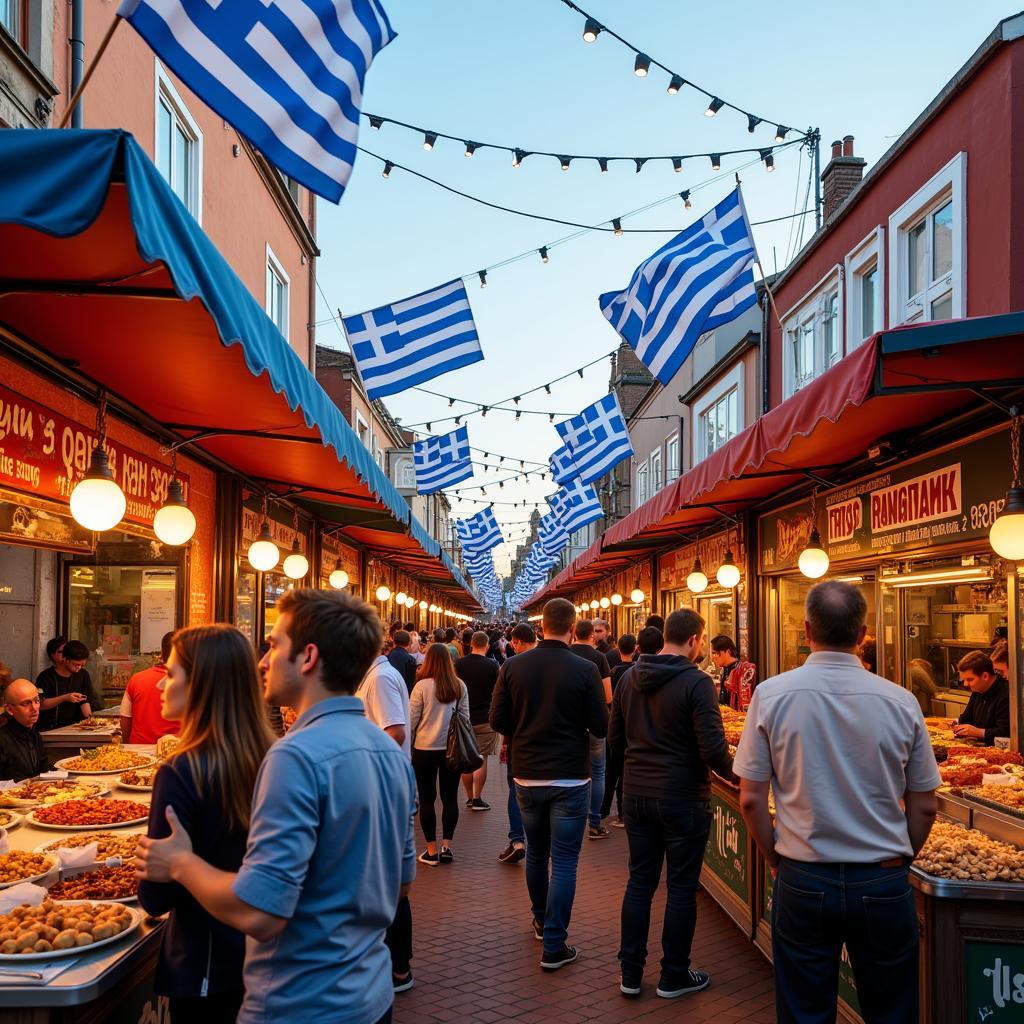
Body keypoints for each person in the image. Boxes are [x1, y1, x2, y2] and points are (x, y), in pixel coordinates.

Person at [136, 589, 417, 1024]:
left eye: (272, 646)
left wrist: (180, 864)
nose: (263, 662)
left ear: (307, 657)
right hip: (370, 995)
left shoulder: (296, 756)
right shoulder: (386, 750)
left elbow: (260, 913)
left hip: (301, 1003)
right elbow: (399, 884)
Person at [734, 580, 940, 1024]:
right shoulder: (902, 701)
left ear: (806, 630)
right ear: (863, 633)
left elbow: (751, 799)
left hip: (803, 876)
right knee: (892, 1010)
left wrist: (775, 857)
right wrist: (900, 860)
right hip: (883, 880)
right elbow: (925, 805)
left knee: (805, 1010)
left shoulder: (771, 695)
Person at [137, 625, 275, 1023]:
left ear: (201, 684)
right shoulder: (274, 757)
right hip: (265, 959)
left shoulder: (181, 771)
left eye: (172, 673)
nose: (162, 683)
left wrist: (165, 865)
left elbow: (156, 897)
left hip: (205, 964)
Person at [610, 609, 732, 999]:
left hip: (637, 795)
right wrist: (743, 774)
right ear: (696, 640)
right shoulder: (697, 683)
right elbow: (713, 750)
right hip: (682, 798)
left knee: (640, 882)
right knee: (680, 888)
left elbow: (615, 741)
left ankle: (630, 974)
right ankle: (673, 974)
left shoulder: (629, 679)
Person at [490, 598, 608, 970]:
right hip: (571, 777)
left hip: (527, 774)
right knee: (566, 861)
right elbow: (601, 726)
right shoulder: (585, 668)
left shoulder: (512, 666)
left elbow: (498, 720)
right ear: (573, 628)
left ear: (541, 628)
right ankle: (555, 943)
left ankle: (541, 920)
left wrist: (525, 731)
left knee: (537, 853)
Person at [358, 637, 415, 994]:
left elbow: (394, 732)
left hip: (382, 789)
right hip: (382, 787)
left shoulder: (378, 679)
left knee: (391, 885)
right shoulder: (376, 676)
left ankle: (398, 967)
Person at [409, 644, 470, 865]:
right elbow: (465, 718)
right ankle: (447, 846)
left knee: (427, 798)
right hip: (451, 750)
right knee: (449, 797)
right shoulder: (459, 685)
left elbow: (412, 721)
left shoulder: (421, 687)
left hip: (424, 748)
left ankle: (431, 851)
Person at [497, 624, 537, 865]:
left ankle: (517, 839)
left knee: (516, 790)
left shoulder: (510, 667)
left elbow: (498, 717)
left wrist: (507, 735)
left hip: (520, 745)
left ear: (520, 641)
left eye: (513, 643)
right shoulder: (577, 665)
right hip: (560, 756)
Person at [570, 619, 612, 840]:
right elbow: (608, 696)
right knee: (597, 772)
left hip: (568, 724)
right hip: (594, 724)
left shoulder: (565, 654)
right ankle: (594, 821)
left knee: (571, 771)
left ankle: (571, 819)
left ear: (573, 633)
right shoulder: (600, 658)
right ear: (592, 635)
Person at [456, 631, 501, 812]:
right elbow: (497, 692)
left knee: (467, 759)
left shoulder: (459, 664)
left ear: (471, 644)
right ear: (487, 645)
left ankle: (468, 796)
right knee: (481, 759)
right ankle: (477, 798)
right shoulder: (492, 665)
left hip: (464, 718)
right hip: (485, 718)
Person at [601, 633, 638, 826]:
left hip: (614, 726)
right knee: (625, 773)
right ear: (635, 649)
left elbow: (607, 698)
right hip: (633, 728)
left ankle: (603, 810)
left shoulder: (613, 671)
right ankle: (623, 813)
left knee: (610, 772)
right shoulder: (637, 672)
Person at [120, 631, 180, 744]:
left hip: (139, 750)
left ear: (162, 653)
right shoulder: (193, 682)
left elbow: (125, 718)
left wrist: (127, 743)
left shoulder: (137, 679)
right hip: (177, 751)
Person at [35, 639, 97, 730]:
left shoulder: (83, 675)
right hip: (49, 729)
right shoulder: (46, 677)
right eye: (76, 665)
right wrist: (65, 698)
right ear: (65, 659)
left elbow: (85, 701)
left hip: (75, 728)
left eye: (82, 665)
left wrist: (90, 721)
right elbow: (40, 704)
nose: (79, 668)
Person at [954, 650, 1011, 743]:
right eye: (964, 680)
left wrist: (979, 732)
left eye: (970, 679)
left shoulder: (1007, 694)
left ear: (985, 676)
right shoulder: (977, 690)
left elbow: (1006, 732)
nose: (965, 684)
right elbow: (965, 718)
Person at [0, 679, 53, 780]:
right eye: (26, 704)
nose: (34, 708)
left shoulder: (34, 734)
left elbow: (44, 770)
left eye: (37, 701)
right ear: (10, 709)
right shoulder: (3, 739)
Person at [710, 635, 758, 712]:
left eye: (715, 653)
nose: (713, 657)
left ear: (728, 652)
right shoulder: (724, 670)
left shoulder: (746, 669)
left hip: (738, 718)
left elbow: (745, 702)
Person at [387, 630, 419, 696]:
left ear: (394, 643)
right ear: (409, 643)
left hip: (388, 693)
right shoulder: (410, 660)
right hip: (404, 695)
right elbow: (411, 683)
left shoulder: (387, 657)